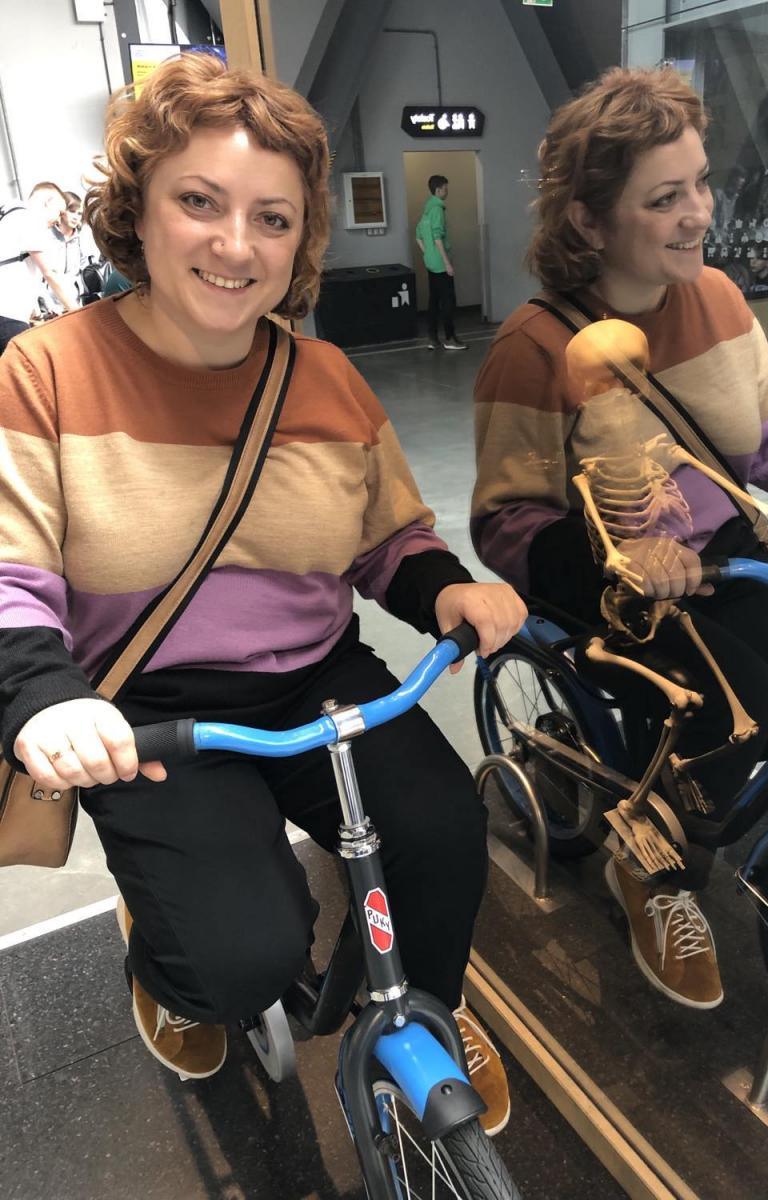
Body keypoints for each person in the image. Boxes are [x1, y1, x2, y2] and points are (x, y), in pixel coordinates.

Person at [0, 54, 525, 1134]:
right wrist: (46, 697)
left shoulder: (326, 379)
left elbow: (386, 538)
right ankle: (168, 960)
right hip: (144, 708)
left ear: (301, 239)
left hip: (317, 679)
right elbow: (11, 571)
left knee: (439, 838)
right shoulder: (45, 372)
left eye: (271, 219)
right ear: (137, 209)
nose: (236, 245)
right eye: (199, 202)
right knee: (239, 958)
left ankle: (425, 1011)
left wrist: (445, 591)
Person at [470, 66, 768, 1011]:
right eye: (664, 198)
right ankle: (651, 867)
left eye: (700, 183)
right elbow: (506, 522)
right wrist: (620, 563)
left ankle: (688, 813)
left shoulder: (717, 299)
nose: (698, 212)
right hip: (611, 586)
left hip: (726, 560)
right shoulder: (533, 350)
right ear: (589, 221)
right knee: (732, 705)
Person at [0, 181, 78, 352]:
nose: (58, 219)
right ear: (48, 202)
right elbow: (50, 272)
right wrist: (78, 313)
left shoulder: (9, 214)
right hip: (8, 316)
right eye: (59, 212)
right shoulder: (30, 218)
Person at [415, 175, 467, 350]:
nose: (447, 191)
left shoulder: (427, 210)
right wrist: (446, 263)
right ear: (438, 190)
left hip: (430, 262)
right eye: (445, 188)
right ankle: (450, 339)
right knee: (448, 301)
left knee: (434, 300)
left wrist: (427, 253)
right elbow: (437, 237)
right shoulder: (437, 209)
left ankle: (432, 338)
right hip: (440, 263)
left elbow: (418, 236)